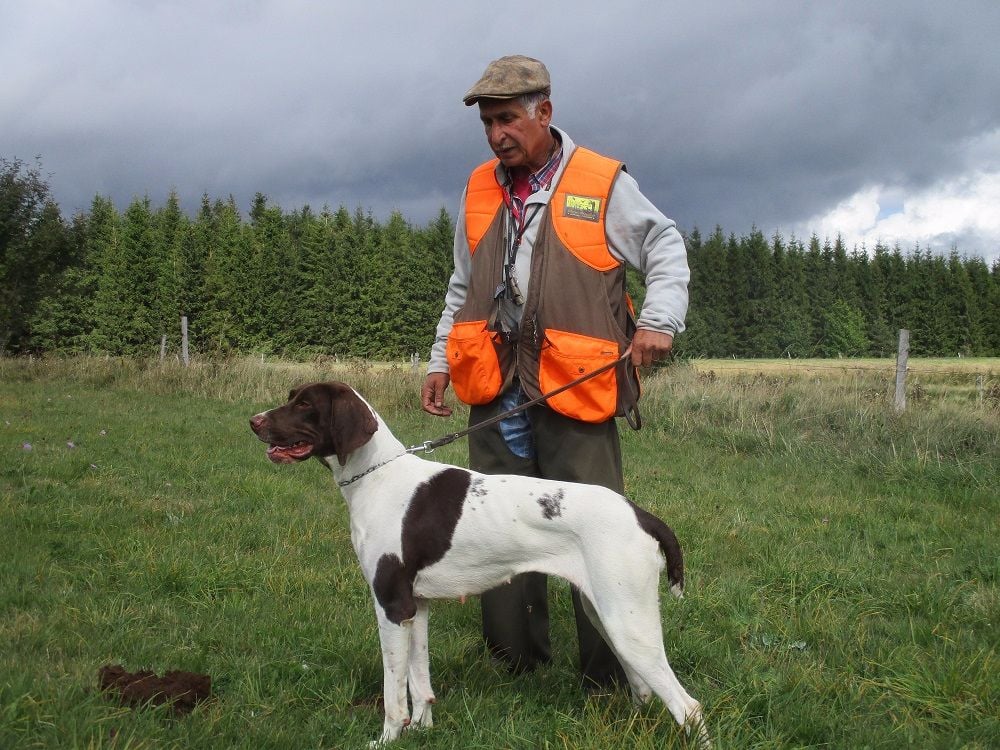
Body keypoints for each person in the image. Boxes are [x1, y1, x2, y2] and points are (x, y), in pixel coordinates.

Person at [421, 55, 689, 689]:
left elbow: (664, 243)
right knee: (493, 532)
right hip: (495, 389)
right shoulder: (480, 187)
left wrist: (659, 320)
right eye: (487, 123)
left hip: (576, 388)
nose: (496, 135)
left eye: (508, 119)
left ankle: (609, 677)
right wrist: (439, 362)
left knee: (594, 536)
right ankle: (515, 667)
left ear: (545, 111)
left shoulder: (600, 180)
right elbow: (463, 283)